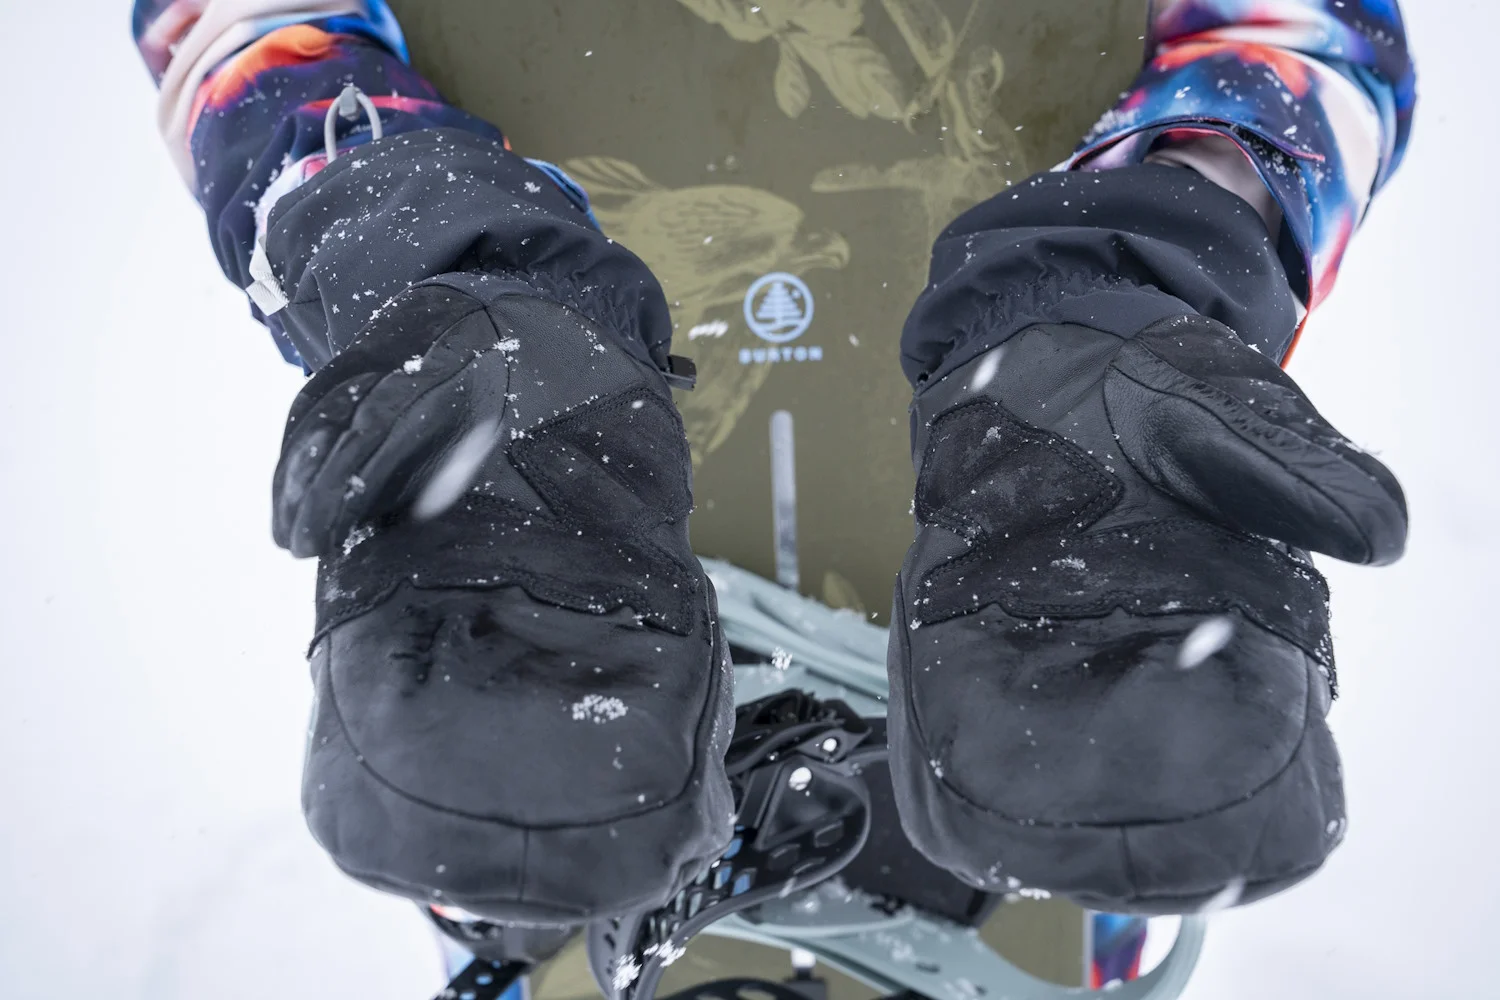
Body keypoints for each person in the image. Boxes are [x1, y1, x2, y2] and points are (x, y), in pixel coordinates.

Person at [131, 0, 1414, 975]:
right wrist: (431, 247)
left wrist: (1140, 269)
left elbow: (1311, 32)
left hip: (1049, 804)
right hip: (523, 711)